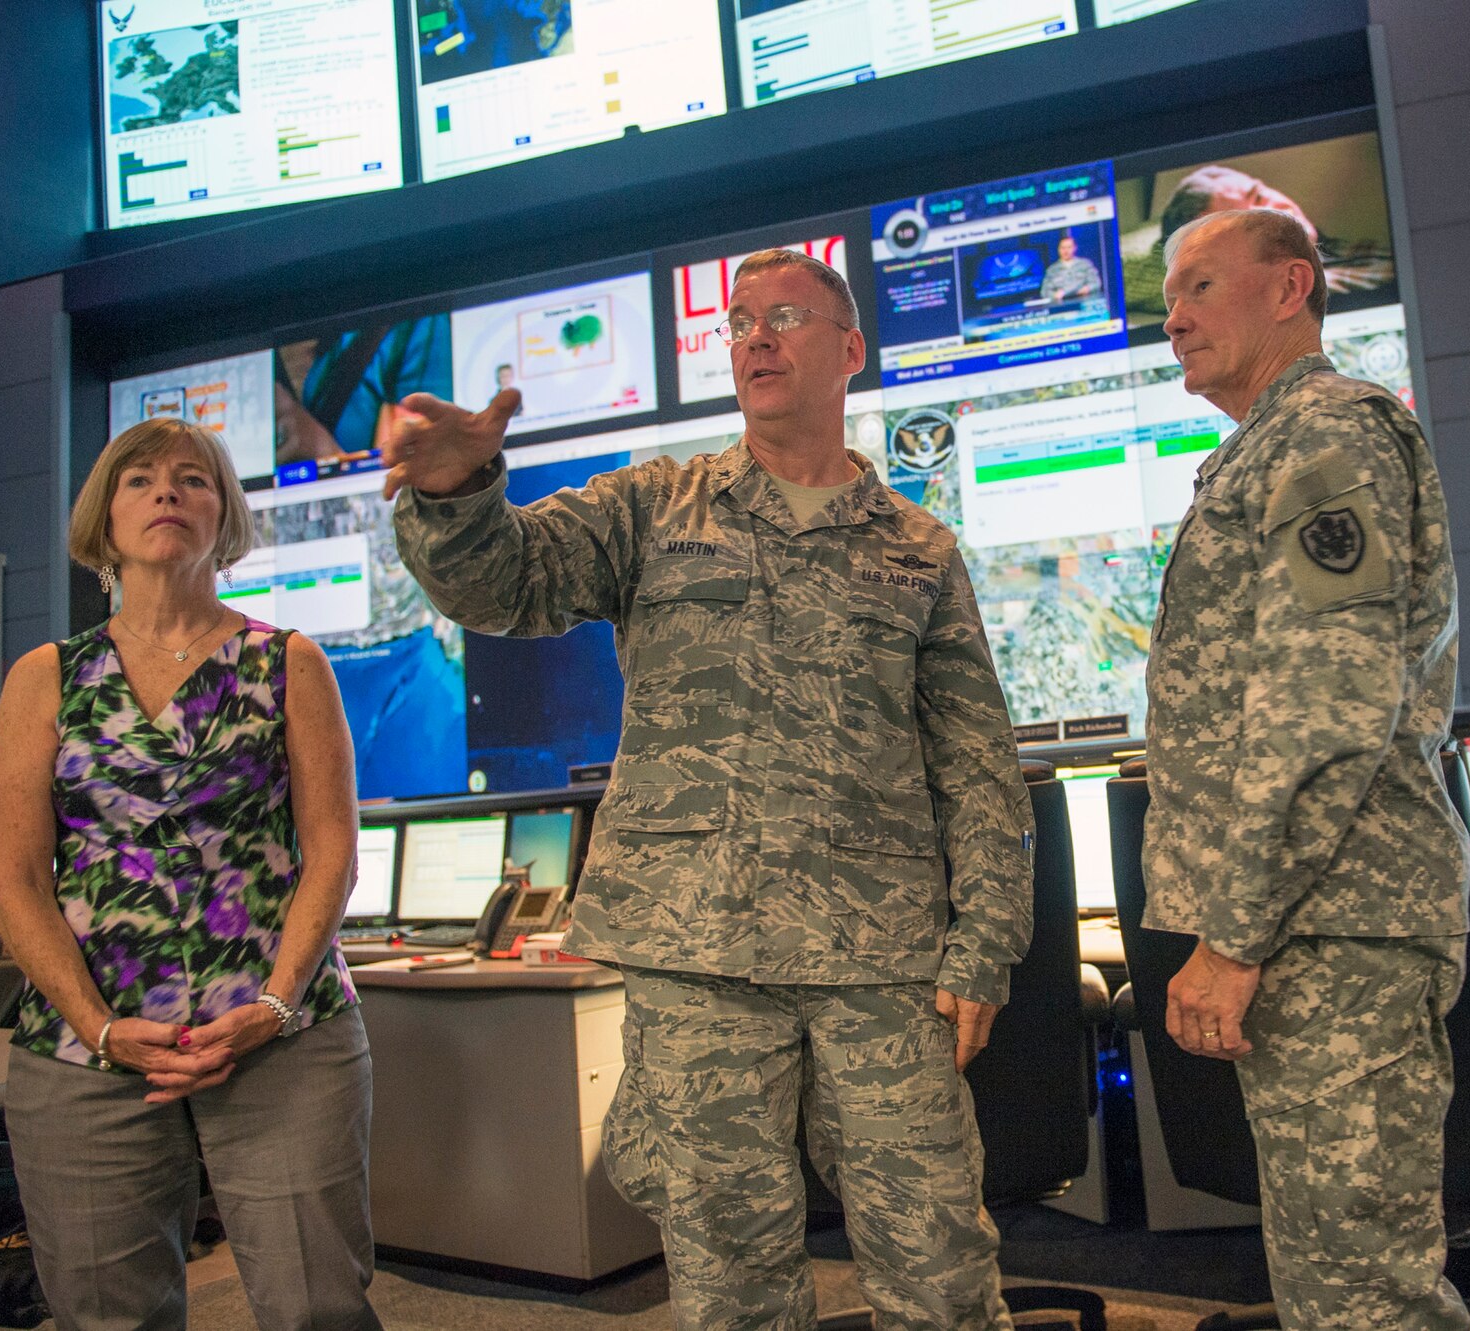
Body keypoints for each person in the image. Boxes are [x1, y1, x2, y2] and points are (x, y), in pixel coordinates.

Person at [384, 248, 1034, 1329]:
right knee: (728, 1270)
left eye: (785, 316)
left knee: (937, 1258)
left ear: (849, 351)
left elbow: (974, 759)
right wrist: (457, 491)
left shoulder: (917, 549)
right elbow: (509, 585)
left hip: (881, 959)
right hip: (699, 950)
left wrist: (986, 943)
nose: (756, 338)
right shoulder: (655, 505)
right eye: (737, 324)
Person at [1142, 208, 1470, 1331]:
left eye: (1197, 286)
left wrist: (1231, 935)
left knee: (1362, 1298)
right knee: (1338, 1283)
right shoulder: (1273, 442)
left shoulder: (1322, 435)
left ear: (1289, 291)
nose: (1171, 315)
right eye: (1167, 294)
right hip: (1312, 920)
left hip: (1328, 925)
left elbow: (1324, 702)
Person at [0, 417, 381, 1331]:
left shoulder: (288, 661)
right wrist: (100, 1028)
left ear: (225, 516)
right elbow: (16, 882)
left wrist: (275, 1005)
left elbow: (331, 853)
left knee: (316, 1306)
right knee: (106, 1314)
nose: (167, 491)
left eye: (193, 479)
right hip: (87, 1046)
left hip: (283, 1033)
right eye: (139, 479)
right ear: (103, 520)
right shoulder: (45, 677)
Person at [1040, 231, 1103, 302]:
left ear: (1075, 248)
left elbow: (1096, 283)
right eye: (1063, 248)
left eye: (1069, 247)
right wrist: (1054, 295)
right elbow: (1044, 292)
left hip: (1085, 301)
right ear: (1058, 249)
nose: (1066, 251)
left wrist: (1087, 288)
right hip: (1062, 304)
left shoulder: (1085, 264)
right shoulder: (1052, 270)